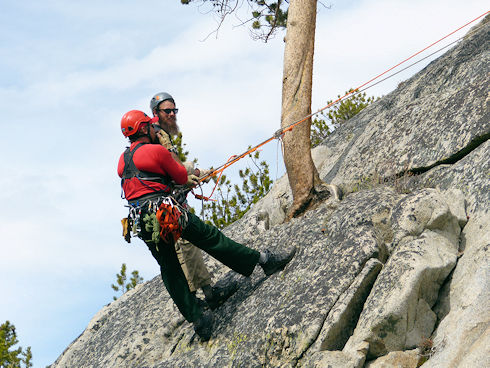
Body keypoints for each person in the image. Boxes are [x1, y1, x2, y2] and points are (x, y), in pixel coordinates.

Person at [117, 110, 296, 341]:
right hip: (165, 213)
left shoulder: (122, 160)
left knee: (169, 268)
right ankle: (264, 260)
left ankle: (198, 320)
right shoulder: (156, 151)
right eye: (151, 127)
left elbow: (146, 183)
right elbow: (180, 176)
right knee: (211, 238)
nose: (155, 129)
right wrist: (167, 148)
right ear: (143, 129)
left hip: (143, 221)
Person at [148, 91, 233, 310]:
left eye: (174, 110)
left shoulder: (159, 134)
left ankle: (204, 294)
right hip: (168, 203)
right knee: (184, 246)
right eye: (167, 111)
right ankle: (202, 298)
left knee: (187, 246)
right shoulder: (159, 135)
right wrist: (192, 172)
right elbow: (172, 166)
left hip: (170, 200)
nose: (172, 115)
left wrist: (191, 175)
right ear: (155, 113)